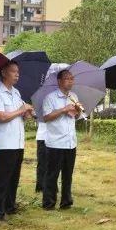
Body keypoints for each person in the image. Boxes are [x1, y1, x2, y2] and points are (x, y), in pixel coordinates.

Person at [0, 61, 33, 222]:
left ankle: (9, 205)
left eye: (18, 71)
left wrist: (26, 113)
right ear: (4, 73)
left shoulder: (16, 93)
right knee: (1, 177)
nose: (17, 74)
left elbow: (20, 115)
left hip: (17, 141)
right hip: (4, 142)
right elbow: (1, 117)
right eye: (13, 71)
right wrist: (20, 110)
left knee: (13, 176)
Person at [41, 70, 82, 210]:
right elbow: (46, 117)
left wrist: (78, 110)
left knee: (68, 174)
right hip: (55, 142)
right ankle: (49, 203)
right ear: (59, 81)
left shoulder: (74, 96)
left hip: (71, 142)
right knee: (52, 174)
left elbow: (75, 117)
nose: (70, 81)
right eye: (67, 79)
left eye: (72, 78)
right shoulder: (50, 98)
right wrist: (63, 109)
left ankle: (66, 201)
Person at [35, 121, 47, 193]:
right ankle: (41, 186)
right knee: (42, 163)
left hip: (56, 137)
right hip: (43, 137)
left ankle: (51, 185)